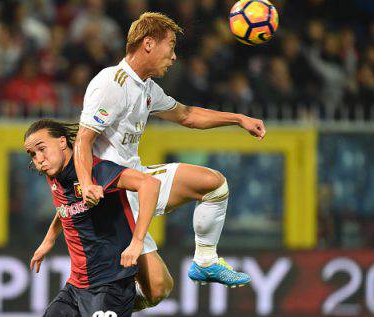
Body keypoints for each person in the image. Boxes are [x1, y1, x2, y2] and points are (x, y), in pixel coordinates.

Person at [75, 12, 266, 308]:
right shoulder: (112, 83)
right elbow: (83, 140)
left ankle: (205, 260)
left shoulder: (147, 88)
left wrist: (238, 118)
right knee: (160, 289)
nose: (174, 56)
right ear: (148, 44)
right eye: (171, 46)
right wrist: (86, 182)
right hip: (114, 197)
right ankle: (107, 309)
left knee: (214, 184)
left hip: (138, 179)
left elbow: (187, 115)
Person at [24, 119, 161, 317]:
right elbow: (66, 206)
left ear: (62, 142)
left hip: (110, 285)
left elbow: (150, 184)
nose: (39, 159)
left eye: (42, 149)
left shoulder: (95, 171)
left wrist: (137, 241)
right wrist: (49, 239)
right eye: (33, 154)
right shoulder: (55, 175)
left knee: (159, 289)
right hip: (76, 287)